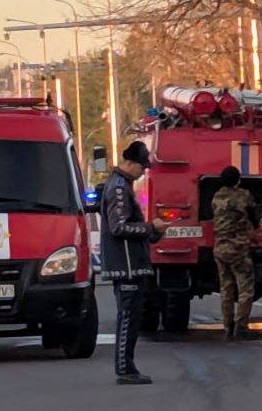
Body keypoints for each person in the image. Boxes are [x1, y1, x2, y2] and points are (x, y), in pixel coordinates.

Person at [100, 140, 170, 385]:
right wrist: (150, 227)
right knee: (127, 319)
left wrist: (155, 231)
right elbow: (118, 227)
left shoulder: (123, 186)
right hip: (126, 266)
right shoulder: (119, 189)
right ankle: (124, 369)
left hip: (133, 264)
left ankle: (128, 366)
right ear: (129, 163)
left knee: (132, 319)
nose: (144, 171)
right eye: (142, 167)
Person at [212, 165, 262, 340]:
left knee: (226, 288)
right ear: (238, 180)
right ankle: (241, 326)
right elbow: (253, 215)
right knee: (245, 288)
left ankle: (227, 326)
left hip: (219, 247)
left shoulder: (217, 196)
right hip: (237, 247)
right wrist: (257, 228)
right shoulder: (242, 196)